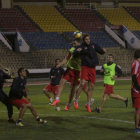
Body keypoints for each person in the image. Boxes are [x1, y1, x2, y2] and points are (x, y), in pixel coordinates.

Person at [73, 34, 106, 112]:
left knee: (91, 87)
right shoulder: (81, 46)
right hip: (85, 67)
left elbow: (101, 51)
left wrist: (103, 50)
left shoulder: (93, 45)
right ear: (84, 40)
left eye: (89, 39)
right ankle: (76, 100)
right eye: (86, 39)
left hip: (92, 68)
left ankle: (88, 104)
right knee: (82, 83)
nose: (88, 40)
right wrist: (76, 51)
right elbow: (74, 54)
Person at [51, 38, 83, 110]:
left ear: (79, 43)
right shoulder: (72, 49)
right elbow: (66, 59)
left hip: (77, 71)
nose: (73, 44)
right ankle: (57, 98)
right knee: (62, 82)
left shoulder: (83, 50)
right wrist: (60, 64)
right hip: (69, 69)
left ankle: (68, 104)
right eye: (73, 43)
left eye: (74, 43)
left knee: (72, 89)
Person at [131, 50, 140, 133]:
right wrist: (138, 88)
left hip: (136, 89)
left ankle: (138, 125)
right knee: (138, 110)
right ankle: (137, 128)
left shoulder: (136, 63)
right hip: (137, 91)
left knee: (138, 109)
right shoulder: (136, 64)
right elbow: (134, 76)